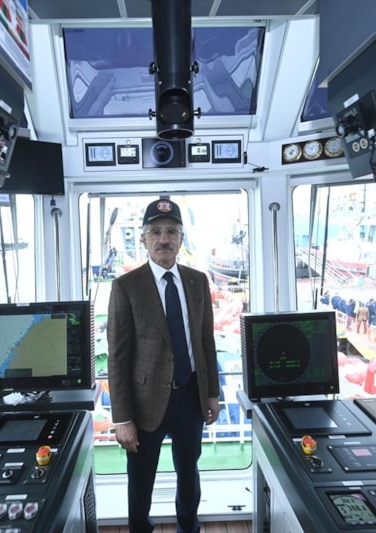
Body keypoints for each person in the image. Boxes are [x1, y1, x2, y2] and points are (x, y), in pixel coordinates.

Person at [107, 198, 221, 533]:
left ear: (181, 239)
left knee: (189, 473)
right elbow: (118, 358)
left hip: (190, 396)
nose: (164, 238)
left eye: (171, 231)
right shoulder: (126, 286)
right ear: (144, 239)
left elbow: (206, 342)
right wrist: (122, 419)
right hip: (144, 404)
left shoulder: (197, 281)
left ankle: (189, 526)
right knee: (141, 479)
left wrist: (212, 394)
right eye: (155, 231)